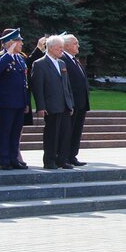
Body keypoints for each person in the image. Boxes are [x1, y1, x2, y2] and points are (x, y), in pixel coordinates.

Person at [31, 35, 75, 169]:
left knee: (65, 134)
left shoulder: (62, 63)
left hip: (64, 105)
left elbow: (67, 85)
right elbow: (37, 87)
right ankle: (49, 160)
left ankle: (62, 159)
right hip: (51, 105)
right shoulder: (40, 64)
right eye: (59, 47)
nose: (62, 50)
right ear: (50, 48)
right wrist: (41, 106)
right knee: (52, 135)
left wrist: (70, 103)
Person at [0, 29, 29, 170]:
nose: (22, 44)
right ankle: (4, 160)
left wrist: (25, 102)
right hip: (6, 102)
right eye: (19, 41)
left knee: (15, 132)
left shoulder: (20, 58)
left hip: (19, 101)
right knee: (5, 131)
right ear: (11, 43)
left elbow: (23, 82)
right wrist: (8, 54)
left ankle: (14, 158)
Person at [62, 34, 90, 166]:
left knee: (77, 131)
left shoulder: (74, 59)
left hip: (81, 102)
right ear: (66, 45)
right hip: (72, 103)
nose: (78, 45)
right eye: (75, 43)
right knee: (68, 130)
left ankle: (73, 155)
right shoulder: (63, 59)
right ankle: (65, 156)